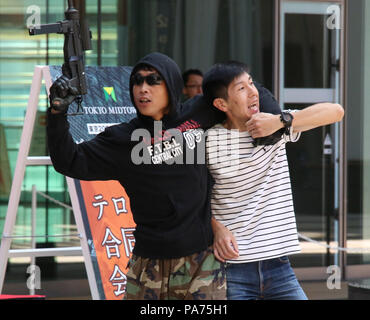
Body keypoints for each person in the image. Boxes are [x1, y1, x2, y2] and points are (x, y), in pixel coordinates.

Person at [46, 53, 282, 300]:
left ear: (170, 84)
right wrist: (57, 112)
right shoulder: (121, 139)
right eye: (137, 81)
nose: (143, 89)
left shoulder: (198, 111)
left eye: (153, 80)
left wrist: (275, 123)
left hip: (200, 265)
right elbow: (68, 160)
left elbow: (253, 93)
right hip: (147, 267)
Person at [203, 61, 344, 300]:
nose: (253, 92)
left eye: (251, 83)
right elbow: (190, 195)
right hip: (231, 268)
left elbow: (336, 111)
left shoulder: (275, 127)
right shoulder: (208, 141)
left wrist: (280, 121)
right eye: (241, 88)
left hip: (279, 266)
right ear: (221, 103)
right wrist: (216, 228)